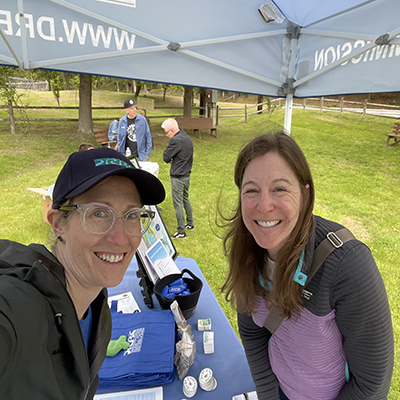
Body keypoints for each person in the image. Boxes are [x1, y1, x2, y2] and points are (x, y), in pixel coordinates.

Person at [219, 132, 394, 400]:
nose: (264, 206)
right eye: (251, 190)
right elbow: (253, 333)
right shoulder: (246, 250)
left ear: (304, 193)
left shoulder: (347, 264)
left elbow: (371, 386)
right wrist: (269, 395)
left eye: (279, 188)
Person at [0, 147, 165, 399]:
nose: (120, 238)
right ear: (58, 223)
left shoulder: (95, 304)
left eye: (131, 215)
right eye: (99, 213)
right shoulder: (19, 307)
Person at [161, 118, 194, 239]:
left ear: (173, 130)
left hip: (177, 177)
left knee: (178, 203)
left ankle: (181, 231)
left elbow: (165, 157)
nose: (166, 135)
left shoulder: (175, 140)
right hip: (187, 175)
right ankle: (190, 224)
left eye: (167, 132)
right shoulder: (187, 137)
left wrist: (172, 158)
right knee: (186, 199)